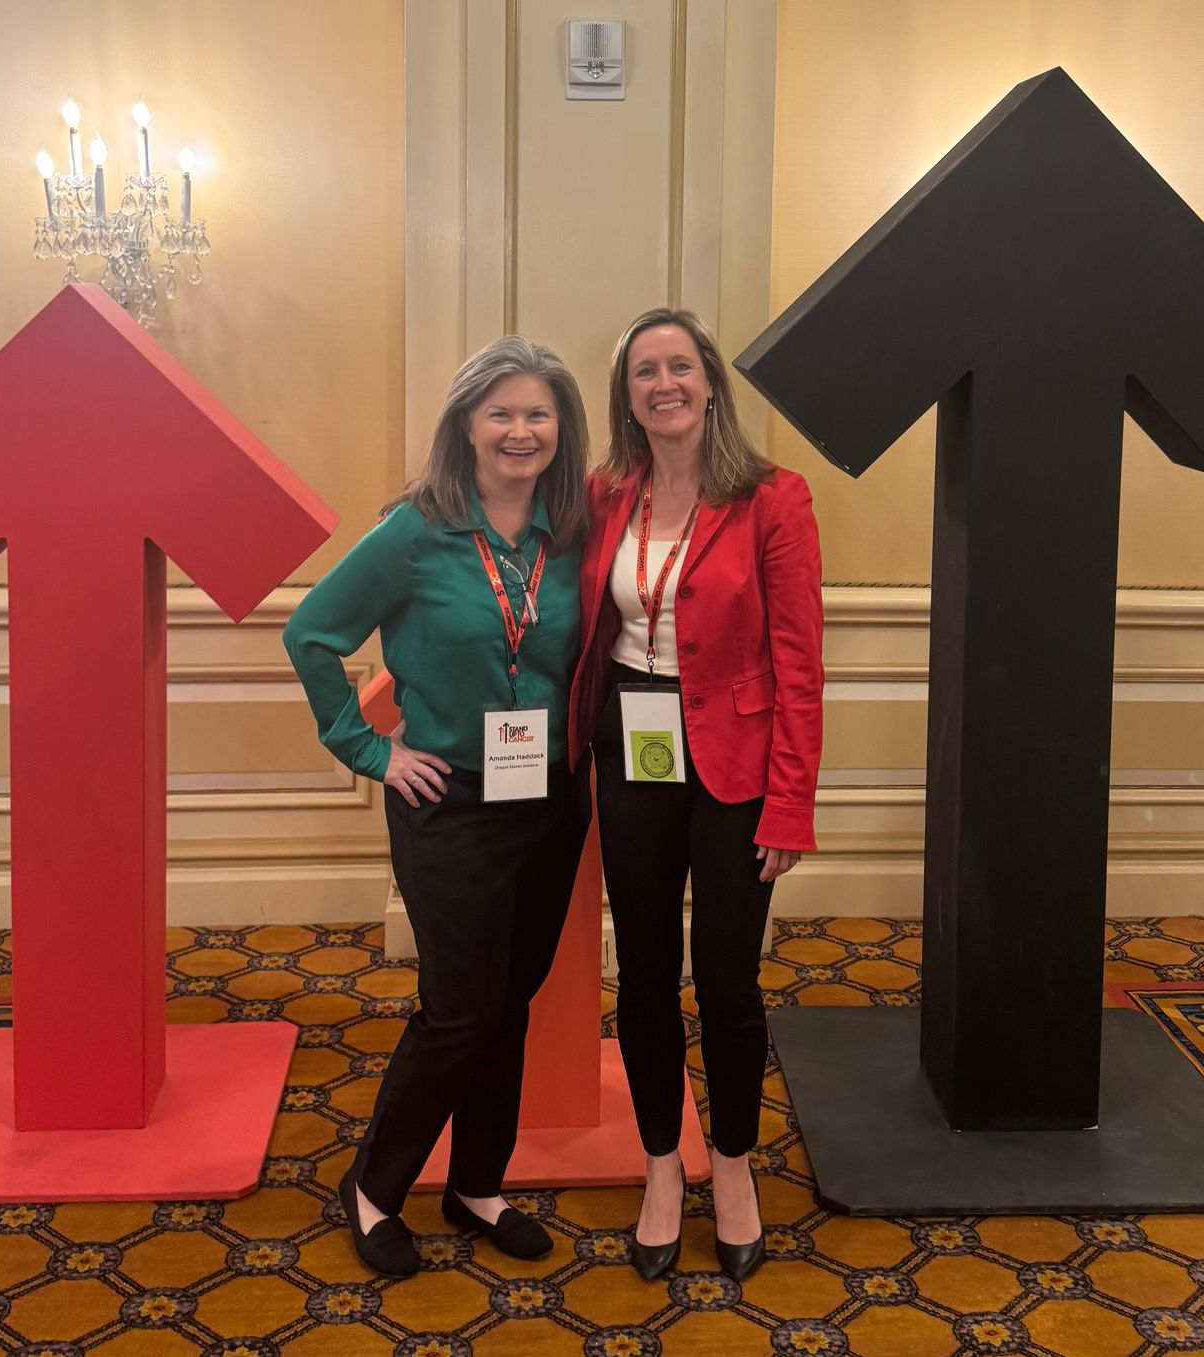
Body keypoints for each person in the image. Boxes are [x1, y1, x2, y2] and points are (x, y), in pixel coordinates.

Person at [284, 336, 591, 1279]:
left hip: (550, 799)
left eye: (538, 413)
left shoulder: (574, 529)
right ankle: (375, 1186)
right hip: (449, 801)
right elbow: (312, 632)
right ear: (464, 424)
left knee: (509, 1002)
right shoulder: (416, 530)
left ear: (560, 430)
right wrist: (370, 749)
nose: (519, 430)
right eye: (499, 412)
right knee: (458, 1007)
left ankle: (478, 1185)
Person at [568, 308, 824, 1282]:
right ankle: (663, 1166)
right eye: (645, 372)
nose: (663, 383)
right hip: (630, 746)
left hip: (737, 763)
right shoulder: (604, 495)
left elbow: (800, 663)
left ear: (711, 383)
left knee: (726, 980)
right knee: (640, 973)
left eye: (680, 366)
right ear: (627, 395)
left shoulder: (772, 498)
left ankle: (733, 1165)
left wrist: (790, 804)